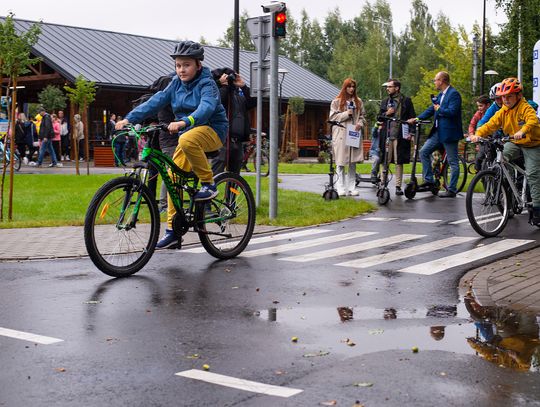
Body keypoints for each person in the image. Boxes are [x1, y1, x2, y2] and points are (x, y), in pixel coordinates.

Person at [115, 41, 228, 249]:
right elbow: (155, 101)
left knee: (186, 139)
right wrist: (129, 119)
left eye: (186, 65)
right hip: (188, 134)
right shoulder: (175, 83)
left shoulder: (207, 84)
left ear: (198, 65)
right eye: (178, 65)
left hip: (212, 129)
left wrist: (186, 122)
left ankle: (209, 183)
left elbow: (207, 107)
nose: (181, 70)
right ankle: (173, 232)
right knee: (172, 178)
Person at [471, 77, 540, 225]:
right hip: (515, 142)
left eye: (509, 96)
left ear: (518, 95)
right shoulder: (503, 110)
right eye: (503, 97)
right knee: (500, 160)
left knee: (533, 174)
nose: (506, 100)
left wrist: (523, 130)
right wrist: (477, 134)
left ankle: (537, 208)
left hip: (532, 143)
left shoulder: (525, 107)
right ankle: (509, 192)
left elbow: (532, 120)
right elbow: (491, 124)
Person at [407, 71, 463, 198]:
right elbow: (431, 109)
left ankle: (452, 189)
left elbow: (453, 112)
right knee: (423, 152)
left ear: (442, 80)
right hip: (438, 132)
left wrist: (440, 109)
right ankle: (429, 180)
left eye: (435, 80)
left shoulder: (454, 94)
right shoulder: (440, 95)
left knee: (453, 162)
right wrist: (417, 119)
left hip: (449, 133)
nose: (434, 82)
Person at [210, 67, 256, 175]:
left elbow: (253, 102)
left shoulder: (238, 96)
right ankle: (211, 190)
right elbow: (218, 102)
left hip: (237, 142)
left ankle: (232, 192)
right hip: (222, 140)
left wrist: (243, 86)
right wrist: (222, 85)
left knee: (235, 175)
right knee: (217, 172)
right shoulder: (216, 92)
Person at [378, 79, 416, 195]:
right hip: (387, 134)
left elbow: (412, 117)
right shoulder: (385, 101)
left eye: (390, 86)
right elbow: (379, 117)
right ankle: (382, 184)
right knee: (385, 159)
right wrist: (386, 114)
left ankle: (398, 186)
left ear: (397, 88)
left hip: (400, 134)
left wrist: (411, 133)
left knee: (399, 161)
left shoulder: (406, 101)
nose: (387, 88)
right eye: (387, 87)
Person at [329, 78, 366, 196]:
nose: (351, 89)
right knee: (340, 162)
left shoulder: (358, 101)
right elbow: (332, 118)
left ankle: (351, 187)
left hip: (353, 133)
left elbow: (363, 116)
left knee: (352, 162)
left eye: (353, 87)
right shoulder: (336, 101)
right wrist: (346, 113)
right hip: (341, 134)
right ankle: (340, 187)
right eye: (349, 87)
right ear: (345, 87)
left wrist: (360, 123)